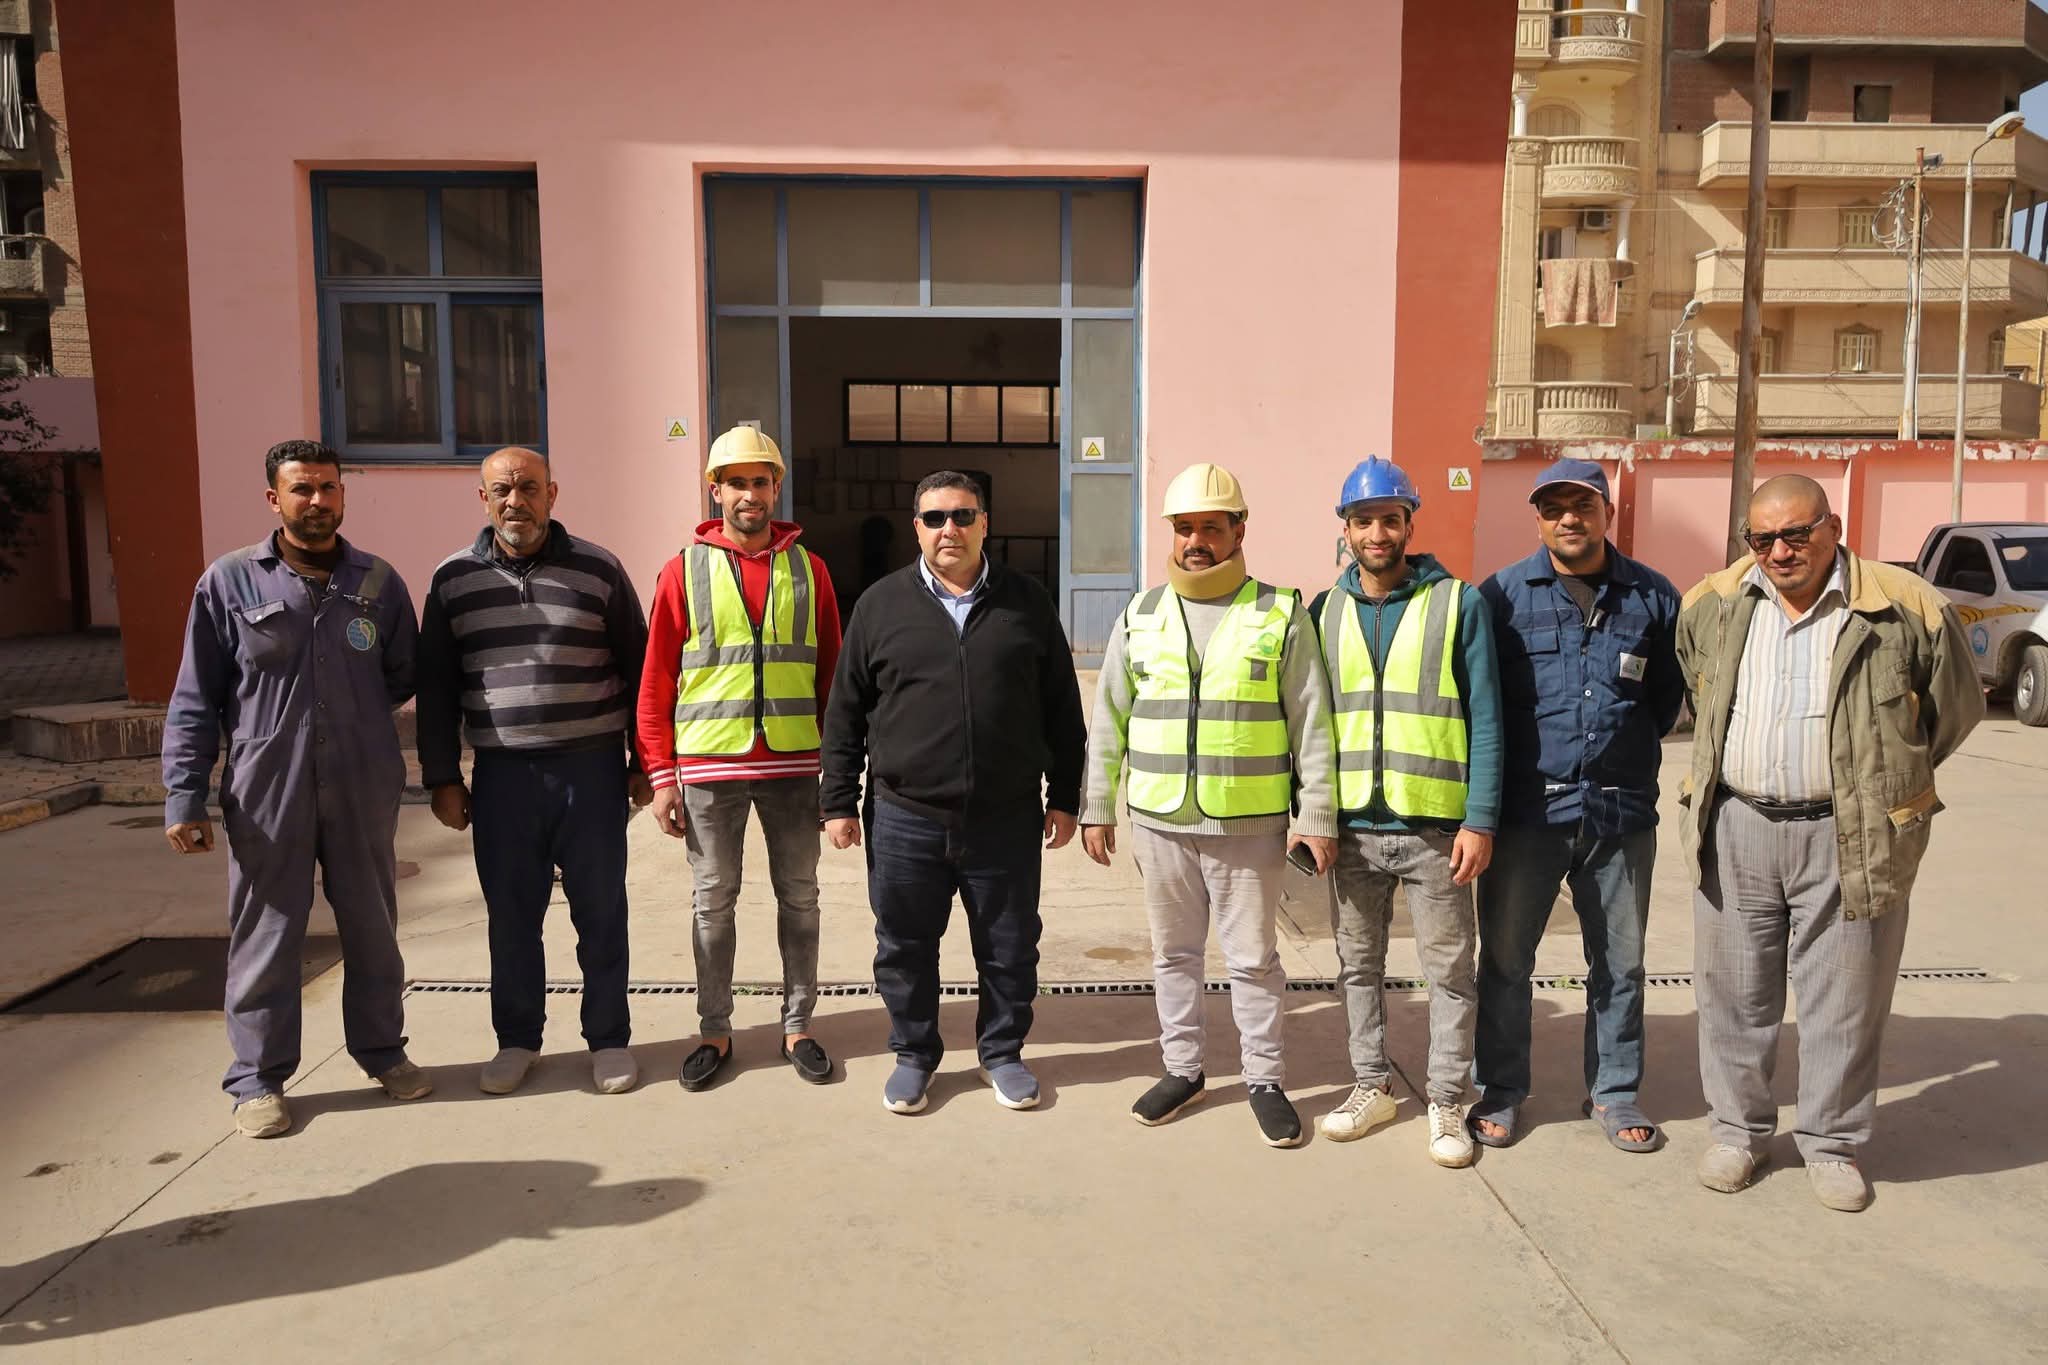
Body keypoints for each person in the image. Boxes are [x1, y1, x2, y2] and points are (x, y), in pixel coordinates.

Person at [1678, 475, 1983, 1212]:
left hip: (1851, 830)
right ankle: (1738, 1132)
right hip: (1738, 822)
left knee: (1846, 996)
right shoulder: (1713, 603)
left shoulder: (1905, 606)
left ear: (1833, 527)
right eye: (1763, 539)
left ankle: (1831, 1142)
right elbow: (1698, 688)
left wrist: (1882, 779)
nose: (1780, 551)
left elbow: (1953, 710)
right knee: (1732, 993)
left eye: (1797, 534)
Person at [163, 439, 429, 1138]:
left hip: (361, 784)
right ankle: (258, 1079)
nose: (317, 501)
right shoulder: (229, 582)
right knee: (266, 932)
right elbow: (196, 697)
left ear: (342, 495)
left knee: (373, 927)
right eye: (302, 489)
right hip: (266, 789)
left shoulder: (378, 582)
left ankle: (383, 1051)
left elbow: (403, 673)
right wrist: (183, 794)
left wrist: (352, 720)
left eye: (328, 488)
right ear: (273, 498)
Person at [1080, 463, 1336, 1147]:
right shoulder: (1141, 614)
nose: (1196, 540)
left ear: (1238, 531)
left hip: (1248, 826)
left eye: (1211, 528)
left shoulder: (1279, 613)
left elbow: (1311, 723)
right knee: (1174, 955)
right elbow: (1109, 717)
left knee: (1252, 960)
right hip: (1160, 822)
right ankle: (1183, 1070)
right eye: (1185, 528)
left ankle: (1265, 1079)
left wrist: (1315, 817)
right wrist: (1096, 804)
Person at [820, 470, 1087, 1116]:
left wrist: (1065, 795)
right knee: (904, 946)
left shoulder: (1027, 602)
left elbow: (1062, 708)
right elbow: (845, 711)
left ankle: (1003, 1052)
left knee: (1009, 946)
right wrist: (837, 800)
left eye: (964, 516)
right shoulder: (880, 606)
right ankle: (914, 1054)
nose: (950, 529)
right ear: (916, 527)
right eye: (935, 518)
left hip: (1005, 816)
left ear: (984, 524)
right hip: (904, 817)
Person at [417, 446, 651, 1097]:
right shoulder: (452, 579)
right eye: (502, 490)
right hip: (503, 777)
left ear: (552, 493)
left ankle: (608, 1038)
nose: (515, 501)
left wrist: (644, 763)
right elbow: (436, 686)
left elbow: (639, 670)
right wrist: (442, 777)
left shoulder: (600, 569)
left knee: (601, 912)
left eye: (528, 488)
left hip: (591, 771)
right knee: (512, 916)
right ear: (483, 498)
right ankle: (517, 1039)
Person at [1471, 459, 1684, 1153]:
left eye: (1583, 505)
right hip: (1527, 816)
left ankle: (1615, 1091)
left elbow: (1664, 703)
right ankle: (1502, 1088)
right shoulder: (1500, 596)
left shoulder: (1652, 597)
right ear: (1538, 519)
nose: (1569, 518)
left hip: (1621, 817)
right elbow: (1482, 705)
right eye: (1554, 507)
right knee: (1506, 962)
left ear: (1607, 513)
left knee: (1620, 964)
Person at [1310, 456, 1502, 1169]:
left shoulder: (1458, 603)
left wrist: (1480, 819)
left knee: (1449, 972)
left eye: (1390, 519)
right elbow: (1311, 723)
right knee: (1357, 966)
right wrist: (1313, 816)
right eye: (1363, 520)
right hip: (1353, 830)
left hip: (1435, 829)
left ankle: (1448, 1098)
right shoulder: (1323, 611)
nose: (1377, 533)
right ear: (1346, 530)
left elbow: (1487, 717)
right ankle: (1373, 1085)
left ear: (1408, 525)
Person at [637, 427, 842, 1090]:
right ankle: (715, 1030)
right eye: (736, 482)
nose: (749, 494)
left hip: (794, 767)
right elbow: (656, 680)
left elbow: (834, 678)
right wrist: (661, 776)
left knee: (800, 898)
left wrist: (838, 774)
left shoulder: (810, 571)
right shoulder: (682, 571)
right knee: (712, 903)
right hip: (709, 769)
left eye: (760, 481)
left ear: (776, 488)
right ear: (715, 490)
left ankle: (798, 1025)